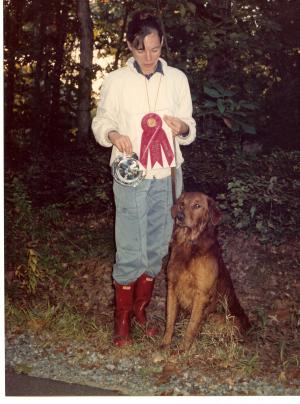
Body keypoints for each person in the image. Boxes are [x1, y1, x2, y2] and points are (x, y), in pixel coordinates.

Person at [92, 11, 196, 347]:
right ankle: (121, 319)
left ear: (162, 43)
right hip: (130, 172)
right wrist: (111, 133)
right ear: (130, 46)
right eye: (140, 50)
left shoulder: (177, 79)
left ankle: (141, 310)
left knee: (156, 243)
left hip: (168, 175)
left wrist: (183, 127)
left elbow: (189, 124)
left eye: (154, 49)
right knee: (130, 244)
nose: (148, 58)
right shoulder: (116, 81)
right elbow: (101, 120)